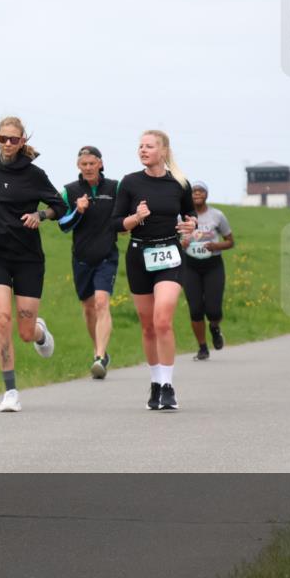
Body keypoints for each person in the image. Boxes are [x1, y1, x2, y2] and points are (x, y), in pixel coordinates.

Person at [0, 117, 66, 412]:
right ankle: (11, 391)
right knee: (2, 320)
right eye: (3, 138)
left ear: (22, 141)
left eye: (13, 140)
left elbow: (61, 206)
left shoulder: (35, 175)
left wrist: (40, 216)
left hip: (28, 259)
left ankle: (40, 332)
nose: (7, 144)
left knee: (25, 332)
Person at [110, 130, 196, 410]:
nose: (143, 151)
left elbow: (190, 216)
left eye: (149, 146)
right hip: (139, 255)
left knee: (162, 319)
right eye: (140, 147)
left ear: (163, 151)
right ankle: (156, 382)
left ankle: (169, 386)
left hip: (170, 254)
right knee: (148, 326)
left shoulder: (179, 184)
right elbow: (116, 224)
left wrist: (191, 227)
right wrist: (136, 217)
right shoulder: (131, 182)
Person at [57, 146, 120, 379]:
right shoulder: (69, 191)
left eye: (92, 163)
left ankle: (99, 357)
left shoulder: (115, 187)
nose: (88, 168)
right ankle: (98, 349)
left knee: (102, 302)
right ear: (78, 167)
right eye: (84, 164)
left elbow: (124, 214)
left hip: (107, 256)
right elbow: (63, 225)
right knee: (88, 307)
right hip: (82, 258)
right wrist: (78, 210)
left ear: (100, 164)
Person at [180, 181, 234, 359]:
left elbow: (230, 241)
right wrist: (182, 243)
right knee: (195, 310)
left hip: (213, 265)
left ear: (207, 194)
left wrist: (216, 245)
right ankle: (202, 347)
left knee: (213, 310)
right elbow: (172, 240)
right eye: (194, 191)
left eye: (200, 191)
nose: (196, 193)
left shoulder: (217, 215)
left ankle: (214, 327)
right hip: (190, 266)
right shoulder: (181, 217)